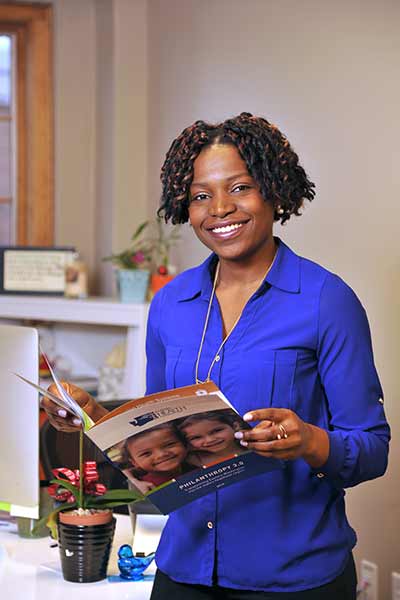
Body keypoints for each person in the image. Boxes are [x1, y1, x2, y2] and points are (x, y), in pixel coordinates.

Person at [42, 112, 390, 599]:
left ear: (274, 190)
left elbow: (372, 449)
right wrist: (92, 416)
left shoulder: (325, 300)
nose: (220, 209)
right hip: (183, 571)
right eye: (201, 195)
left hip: (294, 577)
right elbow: (159, 433)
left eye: (240, 187)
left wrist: (309, 440)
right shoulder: (170, 303)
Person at [121, 422, 194, 488]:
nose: (161, 455)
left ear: (184, 444)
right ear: (134, 462)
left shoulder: (198, 466)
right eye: (146, 453)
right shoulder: (143, 488)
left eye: (169, 445)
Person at [176, 410, 246, 467]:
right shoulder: (191, 460)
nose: (210, 440)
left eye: (216, 431)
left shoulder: (250, 445)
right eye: (196, 437)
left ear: (235, 426)